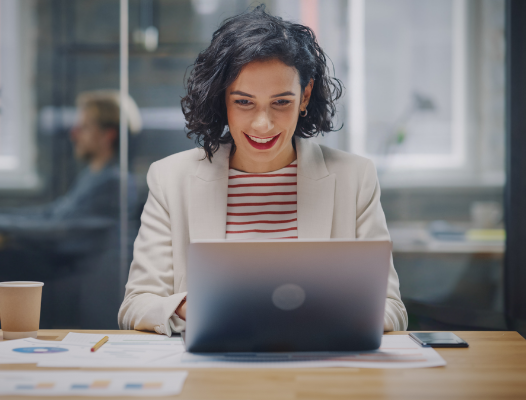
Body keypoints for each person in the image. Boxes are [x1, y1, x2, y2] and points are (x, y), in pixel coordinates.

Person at [118, 6, 407, 335]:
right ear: (222, 99)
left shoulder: (355, 178)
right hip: (212, 376)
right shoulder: (171, 178)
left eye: (281, 102)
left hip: (318, 371)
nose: (263, 124)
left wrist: (321, 312)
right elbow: (135, 305)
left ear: (305, 96)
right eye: (243, 102)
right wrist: (188, 307)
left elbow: (392, 309)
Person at [0, 90, 141, 328]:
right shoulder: (94, 176)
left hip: (84, 288)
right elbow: (52, 214)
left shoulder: (113, 182)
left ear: (107, 135)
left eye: (84, 126)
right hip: (71, 276)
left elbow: (59, 229)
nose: (74, 133)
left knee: (1, 262)